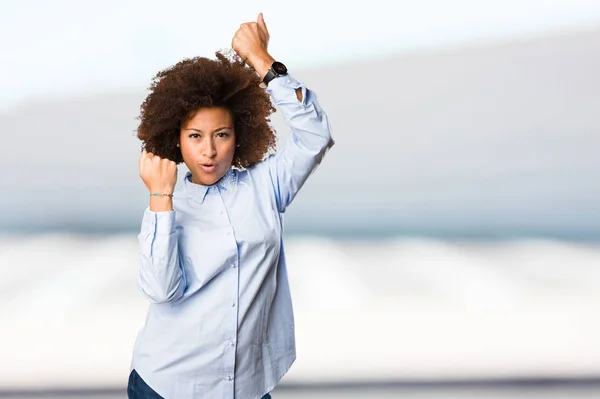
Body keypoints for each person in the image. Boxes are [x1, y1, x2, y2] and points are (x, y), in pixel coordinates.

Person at [127, 13, 334, 399]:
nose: (209, 151)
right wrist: (160, 198)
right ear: (177, 139)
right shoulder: (167, 202)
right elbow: (162, 290)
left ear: (240, 134)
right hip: (167, 387)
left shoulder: (265, 186)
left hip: (248, 388)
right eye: (195, 136)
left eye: (221, 134)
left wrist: (262, 61)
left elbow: (315, 135)